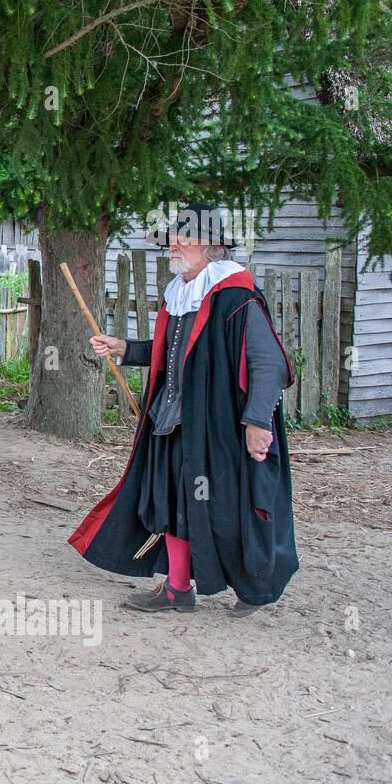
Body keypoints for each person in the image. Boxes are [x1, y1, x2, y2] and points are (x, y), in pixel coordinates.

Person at [69, 204, 298, 616]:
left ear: (210, 248)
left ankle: (254, 587)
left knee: (229, 510)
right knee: (171, 503)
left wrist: (257, 422)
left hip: (220, 430)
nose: (174, 245)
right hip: (173, 423)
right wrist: (124, 348)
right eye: (173, 237)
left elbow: (270, 364)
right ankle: (177, 589)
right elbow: (170, 356)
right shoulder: (180, 294)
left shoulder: (236, 296)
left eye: (184, 238)